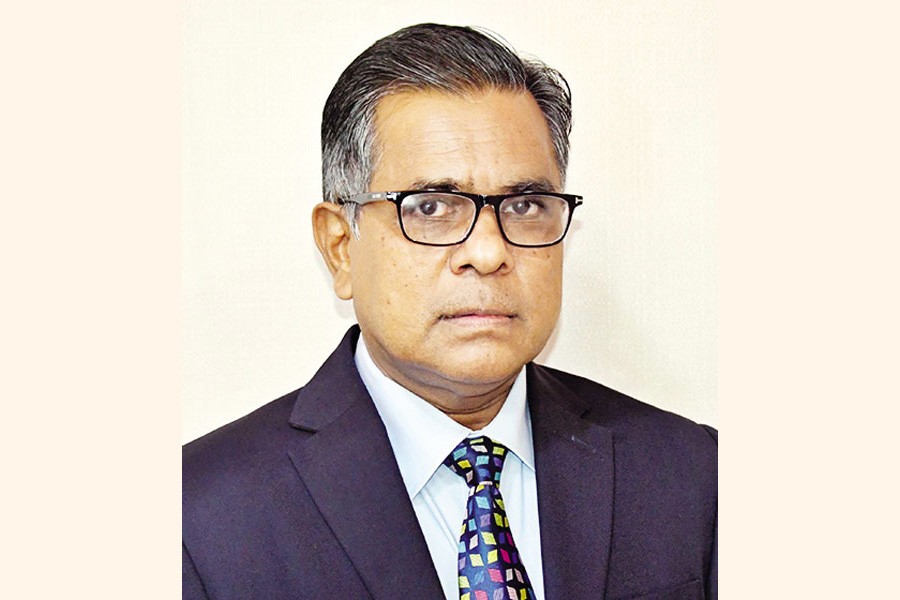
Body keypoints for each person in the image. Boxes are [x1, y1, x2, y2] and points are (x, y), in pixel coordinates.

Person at [182, 23, 717, 600]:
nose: (488, 253)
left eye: (525, 205)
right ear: (340, 247)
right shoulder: (199, 519)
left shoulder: (693, 476)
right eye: (431, 207)